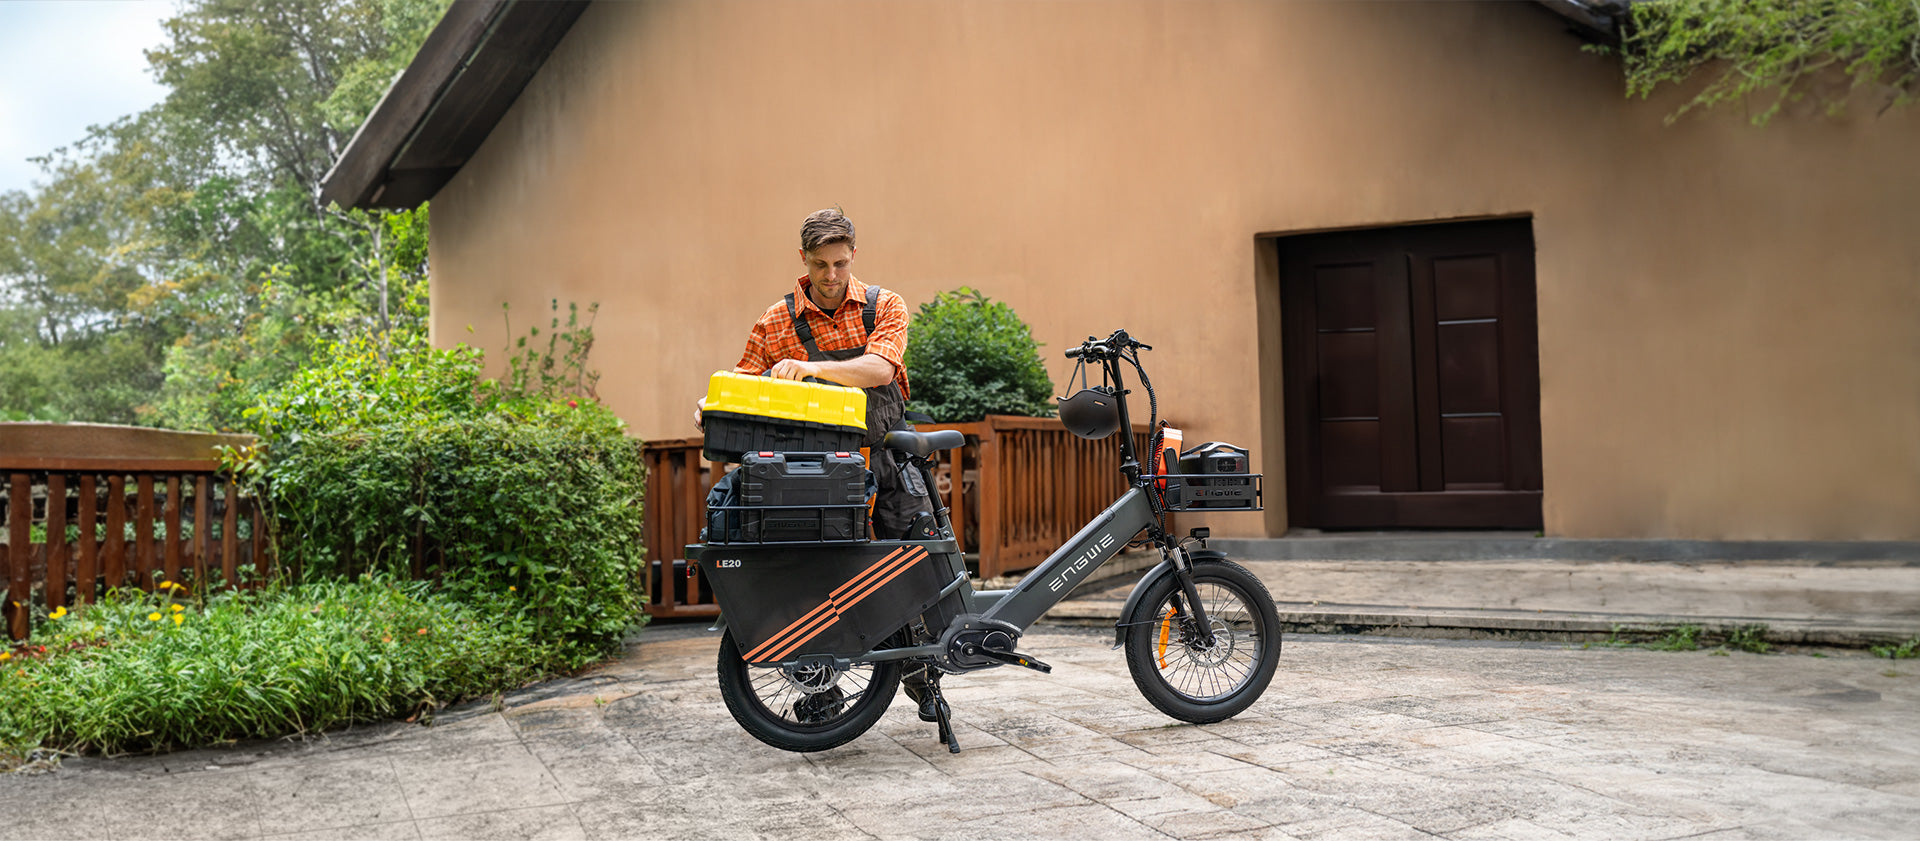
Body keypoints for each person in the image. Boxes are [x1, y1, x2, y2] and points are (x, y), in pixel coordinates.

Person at [695, 207, 944, 721]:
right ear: (803, 258)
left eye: (840, 263)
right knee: (820, 581)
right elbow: (744, 384)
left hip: (887, 463)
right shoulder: (775, 322)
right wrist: (710, 407)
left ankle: (924, 680)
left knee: (915, 573)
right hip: (814, 477)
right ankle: (823, 689)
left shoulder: (883, 306)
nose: (831, 276)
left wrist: (809, 368)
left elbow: (880, 370)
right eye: (820, 264)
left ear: (853, 255)